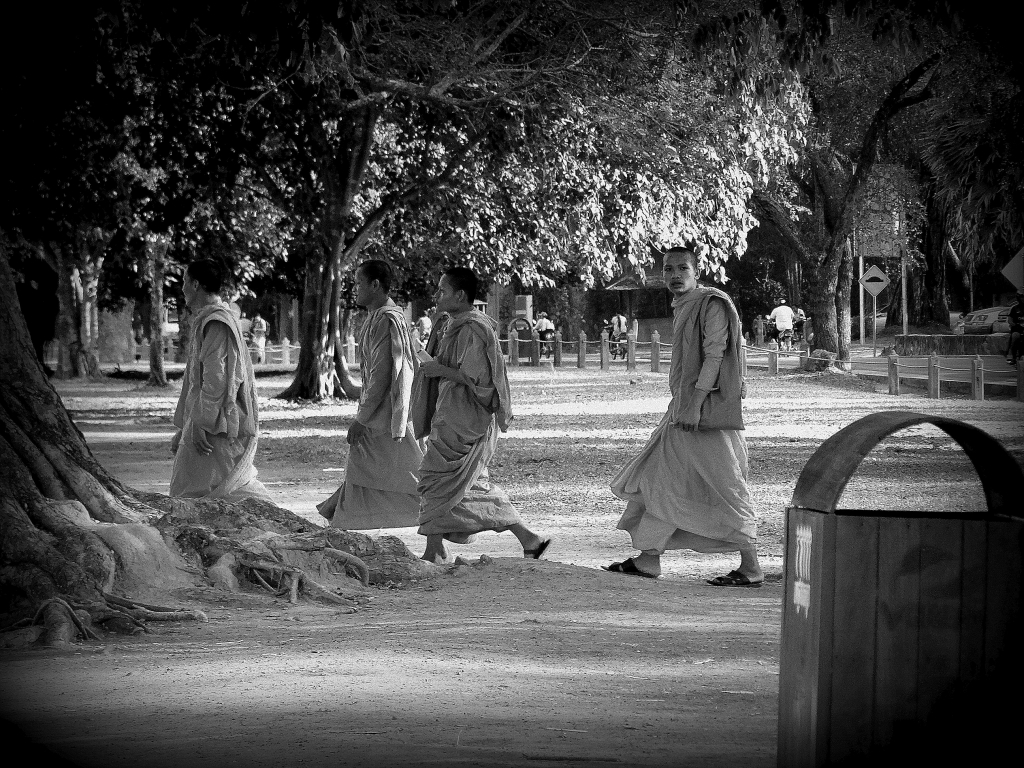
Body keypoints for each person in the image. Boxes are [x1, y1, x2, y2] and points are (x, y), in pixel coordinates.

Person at [603, 245, 762, 586]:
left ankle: (751, 566)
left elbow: (715, 356)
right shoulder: (684, 305)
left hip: (707, 413)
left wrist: (694, 405)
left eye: (682, 269)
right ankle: (648, 559)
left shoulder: (711, 303)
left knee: (726, 484)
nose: (674, 275)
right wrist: (683, 405)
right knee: (660, 476)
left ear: (697, 271)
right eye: (668, 269)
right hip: (683, 409)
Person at [413, 266, 550, 564]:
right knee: (462, 483)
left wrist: (439, 369)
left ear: (460, 295)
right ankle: (527, 538)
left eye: (443, 291)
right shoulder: (451, 324)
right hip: (449, 413)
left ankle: (436, 549)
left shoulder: (474, 328)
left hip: (467, 419)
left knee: (436, 476)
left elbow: (480, 382)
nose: (437, 296)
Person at [317, 261, 425, 529]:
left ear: (375, 285)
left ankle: (443, 514)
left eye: (358, 283)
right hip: (384, 412)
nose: (354, 290)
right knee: (370, 471)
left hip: (383, 415)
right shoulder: (379, 317)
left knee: (403, 473)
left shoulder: (386, 320)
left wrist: (362, 419)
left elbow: (381, 376)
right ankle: (340, 518)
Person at [170, 259, 271, 501]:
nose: (182, 288)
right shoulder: (210, 319)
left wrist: (199, 423)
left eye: (184, 281)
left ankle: (281, 527)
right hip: (205, 419)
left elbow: (216, 379)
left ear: (195, 284)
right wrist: (186, 425)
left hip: (215, 424)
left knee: (221, 491)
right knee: (213, 490)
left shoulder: (217, 322)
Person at [1007, 289, 1024, 365]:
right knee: (1014, 337)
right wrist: (1014, 324)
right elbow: (1010, 320)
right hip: (1018, 329)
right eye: (1021, 297)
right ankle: (1013, 357)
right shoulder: (1014, 308)